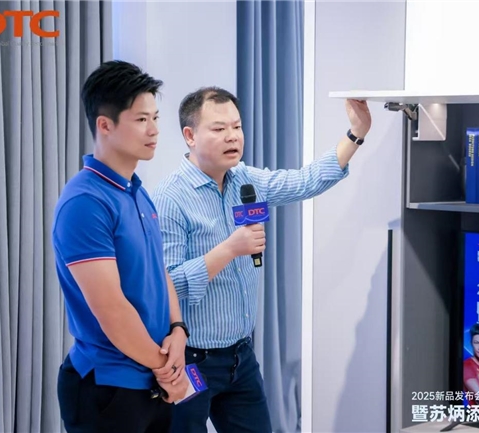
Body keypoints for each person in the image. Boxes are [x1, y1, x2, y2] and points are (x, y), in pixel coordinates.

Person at [152, 86, 372, 432]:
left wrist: (356, 134)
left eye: (237, 126)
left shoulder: (245, 179)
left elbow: (304, 181)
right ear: (190, 136)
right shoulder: (170, 198)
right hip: (191, 359)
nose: (232, 136)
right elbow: (168, 286)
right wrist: (229, 249)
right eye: (219, 128)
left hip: (240, 357)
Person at [53, 60, 190, 433]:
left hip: (152, 379)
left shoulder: (137, 192)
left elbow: (159, 271)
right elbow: (111, 309)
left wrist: (178, 330)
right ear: (105, 125)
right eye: (141, 119)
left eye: (155, 118)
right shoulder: (85, 201)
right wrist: (166, 369)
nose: (154, 130)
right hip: (108, 385)